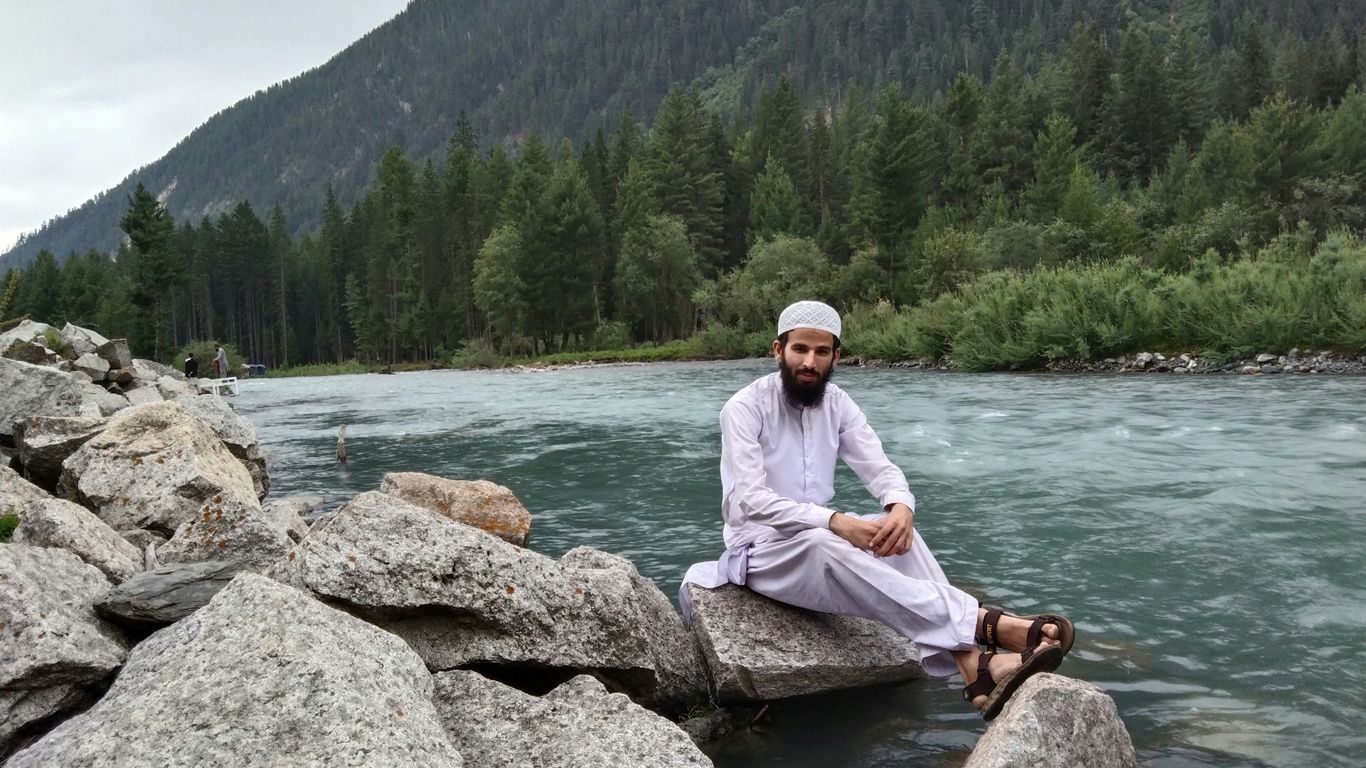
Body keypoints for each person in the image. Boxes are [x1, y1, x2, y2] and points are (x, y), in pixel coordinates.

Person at [682, 300, 1074, 720]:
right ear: (778, 350)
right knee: (824, 543)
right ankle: (991, 626)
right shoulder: (743, 408)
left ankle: (976, 670)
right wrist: (834, 521)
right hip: (759, 552)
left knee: (897, 535)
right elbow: (750, 500)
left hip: (818, 533)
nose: (809, 362)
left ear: (836, 355)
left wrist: (901, 506)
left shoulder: (837, 402)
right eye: (799, 350)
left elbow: (880, 467)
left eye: (821, 352)